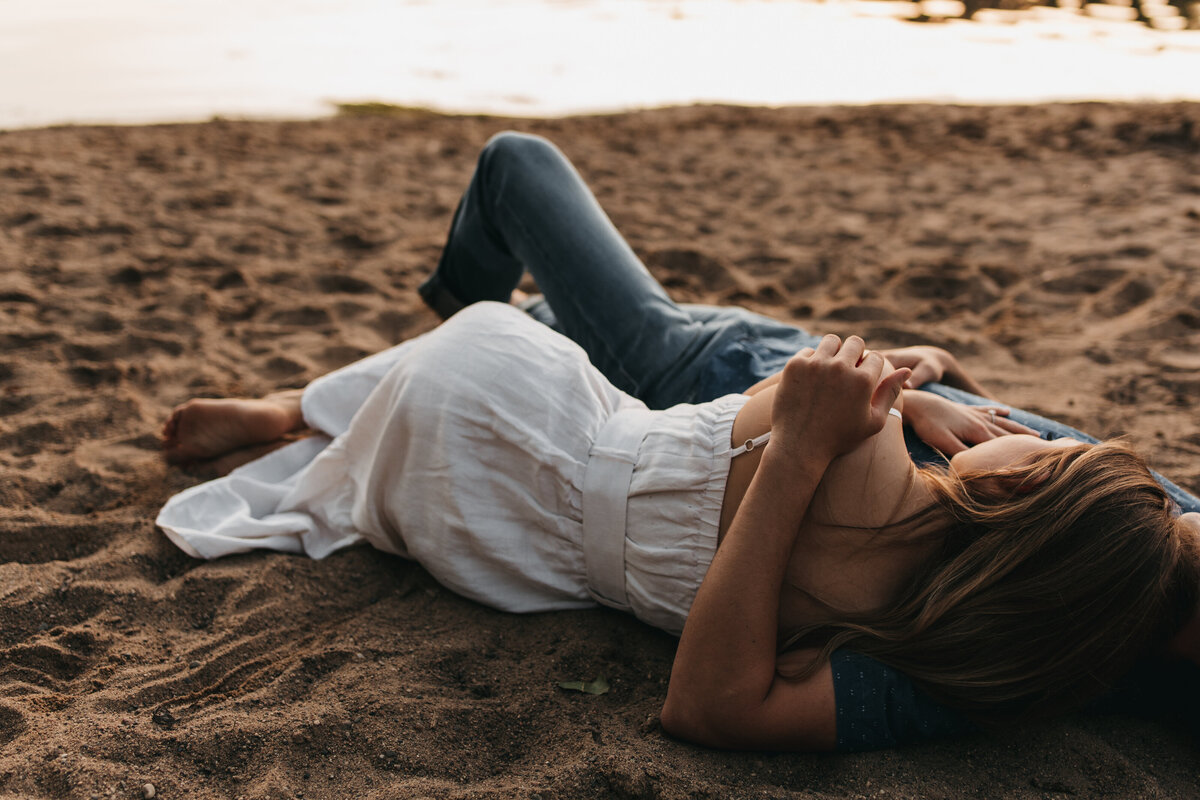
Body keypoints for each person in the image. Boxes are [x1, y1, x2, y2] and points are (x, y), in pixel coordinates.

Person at [158, 133, 1200, 752]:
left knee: (515, 228)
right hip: (555, 514)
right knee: (528, 346)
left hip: (697, 382)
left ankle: (313, 401)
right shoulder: (1035, 605)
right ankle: (312, 404)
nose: (1044, 434)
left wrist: (824, 436)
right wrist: (931, 388)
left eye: (1052, 451)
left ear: (1019, 512)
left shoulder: (1039, 583)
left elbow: (709, 699)